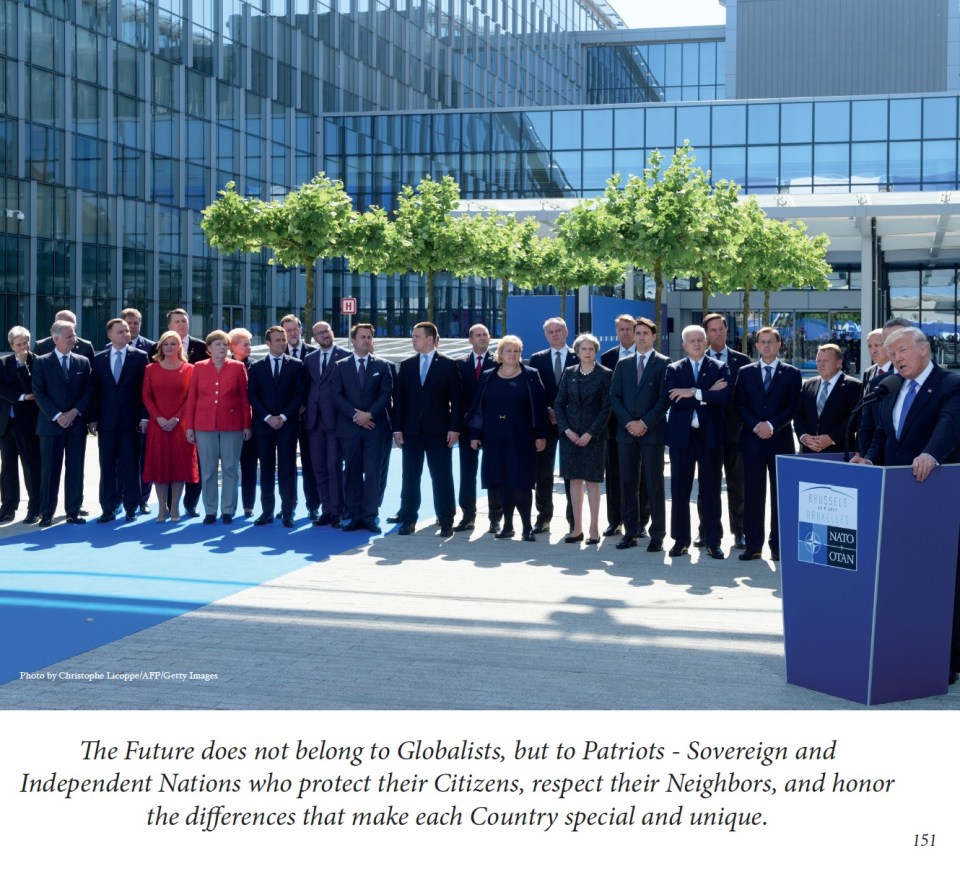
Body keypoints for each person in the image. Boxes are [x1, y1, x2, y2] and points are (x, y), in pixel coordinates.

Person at [853, 326, 960, 685]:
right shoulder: (890, 387)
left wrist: (932, 453)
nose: (894, 357)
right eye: (890, 351)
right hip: (894, 500)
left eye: (901, 351)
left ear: (924, 350)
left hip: (934, 498)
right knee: (901, 580)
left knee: (938, 582)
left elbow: (950, 426)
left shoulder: (951, 383)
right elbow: (883, 434)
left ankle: (947, 659)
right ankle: (903, 648)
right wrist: (868, 460)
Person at [468, 335, 548, 542]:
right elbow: (478, 407)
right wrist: (475, 434)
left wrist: (541, 434)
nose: (513, 355)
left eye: (517, 351)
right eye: (509, 351)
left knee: (521, 482)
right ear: (500, 354)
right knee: (502, 480)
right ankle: (508, 526)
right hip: (494, 436)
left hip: (522, 436)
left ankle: (527, 528)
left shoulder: (530, 375)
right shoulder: (488, 375)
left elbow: (539, 407)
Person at [734, 326, 801, 562]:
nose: (766, 346)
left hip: (780, 441)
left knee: (779, 497)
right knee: (752, 496)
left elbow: (792, 407)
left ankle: (778, 546)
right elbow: (739, 404)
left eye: (770, 342)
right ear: (756, 345)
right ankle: (753, 545)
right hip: (752, 442)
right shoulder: (745, 372)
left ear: (779, 344)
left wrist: (771, 425)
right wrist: (756, 426)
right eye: (761, 342)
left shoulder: (792, 373)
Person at [664, 324, 731, 559]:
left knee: (711, 491)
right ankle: (680, 540)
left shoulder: (720, 368)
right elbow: (674, 400)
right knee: (680, 491)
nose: (696, 343)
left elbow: (723, 397)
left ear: (706, 342)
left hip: (710, 438)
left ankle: (713, 541)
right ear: (684, 345)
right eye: (691, 340)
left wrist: (692, 392)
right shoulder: (673, 369)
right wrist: (705, 393)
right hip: (682, 439)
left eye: (700, 339)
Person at [393, 322, 462, 537]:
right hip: (411, 432)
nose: (413, 339)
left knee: (441, 476)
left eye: (416, 336)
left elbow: (458, 401)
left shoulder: (449, 365)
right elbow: (399, 400)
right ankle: (408, 519)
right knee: (410, 477)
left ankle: (446, 519)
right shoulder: (406, 365)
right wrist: (397, 429)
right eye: (413, 336)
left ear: (430, 339)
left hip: (439, 431)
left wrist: (454, 429)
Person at [609, 316, 669, 552]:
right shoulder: (623, 364)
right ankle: (630, 532)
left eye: (646, 333)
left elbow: (664, 399)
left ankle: (657, 534)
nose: (641, 337)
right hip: (626, 434)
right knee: (627, 483)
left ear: (654, 337)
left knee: (654, 484)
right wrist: (629, 423)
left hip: (652, 432)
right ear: (633, 337)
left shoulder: (664, 363)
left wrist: (644, 422)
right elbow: (615, 397)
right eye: (638, 333)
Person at [330, 323, 394, 533]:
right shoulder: (340, 365)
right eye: (362, 337)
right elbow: (336, 395)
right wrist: (357, 416)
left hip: (375, 429)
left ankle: (370, 515)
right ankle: (355, 514)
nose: (366, 340)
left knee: (373, 474)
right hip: (349, 428)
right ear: (353, 341)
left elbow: (386, 395)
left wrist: (370, 415)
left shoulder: (383, 365)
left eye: (369, 337)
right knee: (352, 473)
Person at [183, 330, 252, 524]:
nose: (222, 348)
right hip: (204, 425)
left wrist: (247, 424)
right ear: (208, 349)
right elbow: (192, 398)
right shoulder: (198, 367)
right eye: (217, 344)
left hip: (232, 424)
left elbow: (244, 399)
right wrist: (190, 427)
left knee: (230, 467)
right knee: (208, 469)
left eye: (224, 344)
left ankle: (228, 510)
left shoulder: (238, 367)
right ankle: (211, 510)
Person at [32, 320, 94, 526]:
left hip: (75, 425)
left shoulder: (83, 362)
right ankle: (47, 512)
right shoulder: (41, 361)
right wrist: (58, 415)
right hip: (51, 425)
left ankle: (73, 511)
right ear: (55, 339)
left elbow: (88, 391)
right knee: (50, 470)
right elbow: (39, 393)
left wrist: (74, 412)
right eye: (69, 336)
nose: (73, 340)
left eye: (74, 335)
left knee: (75, 469)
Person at [697, 313, 750, 549]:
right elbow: (695, 393)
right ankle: (705, 530)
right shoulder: (698, 359)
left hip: (735, 432)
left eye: (721, 329)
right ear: (706, 334)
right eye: (713, 330)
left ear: (727, 331)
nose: (717, 333)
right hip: (706, 432)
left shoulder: (742, 360)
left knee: (738, 484)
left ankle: (739, 531)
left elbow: (746, 397)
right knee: (707, 484)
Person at [88, 318, 149, 522]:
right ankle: (108, 507)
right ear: (110, 335)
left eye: (127, 331)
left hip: (131, 422)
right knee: (107, 466)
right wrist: (93, 419)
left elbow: (144, 391)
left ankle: (131, 506)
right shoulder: (99, 359)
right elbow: (94, 392)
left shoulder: (140, 357)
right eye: (121, 331)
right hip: (107, 423)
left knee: (131, 465)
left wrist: (144, 416)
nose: (126, 334)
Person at [554, 333, 612, 544]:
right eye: (583, 349)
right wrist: (567, 430)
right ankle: (576, 528)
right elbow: (559, 403)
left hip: (593, 438)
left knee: (593, 483)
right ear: (577, 352)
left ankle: (594, 529)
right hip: (570, 437)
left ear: (596, 351)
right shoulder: (569, 373)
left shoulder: (605, 374)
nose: (587, 353)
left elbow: (607, 408)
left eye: (591, 349)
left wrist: (589, 434)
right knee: (574, 482)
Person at [248, 326, 305, 528]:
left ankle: (288, 512)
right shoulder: (256, 367)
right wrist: (267, 417)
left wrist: (281, 416)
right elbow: (252, 396)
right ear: (268, 343)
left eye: (284, 339)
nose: (283, 342)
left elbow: (299, 395)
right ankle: (267, 512)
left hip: (287, 426)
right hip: (263, 428)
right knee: (266, 470)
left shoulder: (297, 365)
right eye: (278, 340)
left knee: (287, 470)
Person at [142, 330, 198, 522]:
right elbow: (146, 397)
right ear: (161, 347)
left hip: (180, 425)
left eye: (173, 343)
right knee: (160, 467)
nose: (169, 347)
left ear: (180, 346)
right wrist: (158, 417)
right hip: (158, 426)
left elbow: (191, 397)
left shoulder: (190, 369)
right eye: (166, 344)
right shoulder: (150, 368)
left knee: (178, 467)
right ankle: (161, 509)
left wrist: (175, 418)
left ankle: (174, 507)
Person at [528, 317, 576, 534]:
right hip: (546, 424)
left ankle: (574, 520)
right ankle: (543, 517)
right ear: (546, 335)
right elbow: (535, 393)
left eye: (558, 331)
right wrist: (548, 410)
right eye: (550, 332)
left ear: (566, 332)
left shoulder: (580, 355)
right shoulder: (537, 359)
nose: (555, 335)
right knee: (543, 473)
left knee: (571, 473)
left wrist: (564, 413)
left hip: (573, 424)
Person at [160, 308, 208, 517]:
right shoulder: (158, 348)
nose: (181, 324)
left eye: (184, 321)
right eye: (177, 321)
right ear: (169, 325)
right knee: (169, 460)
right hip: (166, 417)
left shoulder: (202, 347)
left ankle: (191, 502)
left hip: (196, 414)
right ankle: (171, 505)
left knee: (193, 459)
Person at [455, 323, 501, 533]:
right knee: (467, 473)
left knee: (494, 472)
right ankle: (467, 516)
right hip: (466, 428)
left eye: (485, 334)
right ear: (470, 339)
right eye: (478, 335)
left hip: (493, 426)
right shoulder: (459, 364)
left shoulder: (500, 362)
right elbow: (455, 397)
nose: (482, 338)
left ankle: (495, 518)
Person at [304, 321, 350, 527]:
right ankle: (326, 509)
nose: (325, 335)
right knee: (319, 467)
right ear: (314, 338)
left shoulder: (345, 356)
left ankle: (338, 510)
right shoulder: (309, 359)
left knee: (334, 466)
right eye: (320, 333)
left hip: (336, 420)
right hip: (314, 421)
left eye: (327, 331)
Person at [599, 314, 639, 538]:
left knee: (639, 476)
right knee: (613, 475)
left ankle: (640, 521)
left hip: (641, 426)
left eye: (629, 329)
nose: (625, 332)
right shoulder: (607, 357)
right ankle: (615, 521)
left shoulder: (645, 355)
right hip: (613, 427)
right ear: (616, 331)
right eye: (621, 329)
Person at [281, 313, 320, 521]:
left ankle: (313, 505)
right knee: (286, 465)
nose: (292, 333)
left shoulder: (314, 353)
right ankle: (288, 506)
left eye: (295, 329)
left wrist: (304, 405)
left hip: (309, 420)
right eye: (287, 330)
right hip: (286, 420)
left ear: (301, 330)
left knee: (310, 463)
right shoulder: (277, 353)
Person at [0, 327, 41, 523]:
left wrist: (23, 367)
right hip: (7, 423)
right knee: (8, 466)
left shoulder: (37, 362)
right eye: (19, 345)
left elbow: (32, 388)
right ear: (11, 345)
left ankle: (35, 508)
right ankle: (8, 507)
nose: (23, 348)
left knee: (31, 466)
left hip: (28, 424)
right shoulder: (3, 362)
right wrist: (21, 397)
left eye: (26, 343)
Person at [794, 343, 861, 454]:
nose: (821, 365)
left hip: (839, 452)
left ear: (839, 363)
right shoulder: (808, 385)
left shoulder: (854, 386)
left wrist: (832, 438)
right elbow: (798, 414)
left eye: (825, 361)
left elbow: (854, 418)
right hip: (809, 451)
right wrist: (803, 437)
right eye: (818, 361)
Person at [855, 322, 905, 457]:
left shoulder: (902, 372)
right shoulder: (869, 373)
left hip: (893, 446)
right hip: (871, 447)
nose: (873, 350)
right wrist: (859, 450)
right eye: (869, 346)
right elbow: (864, 415)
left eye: (877, 345)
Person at [228, 327, 259, 517]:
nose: (249, 347)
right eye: (245, 344)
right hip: (229, 424)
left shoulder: (255, 366)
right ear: (233, 346)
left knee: (249, 466)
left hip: (252, 424)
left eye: (250, 344)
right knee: (230, 467)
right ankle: (228, 506)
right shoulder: (223, 365)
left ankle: (248, 505)